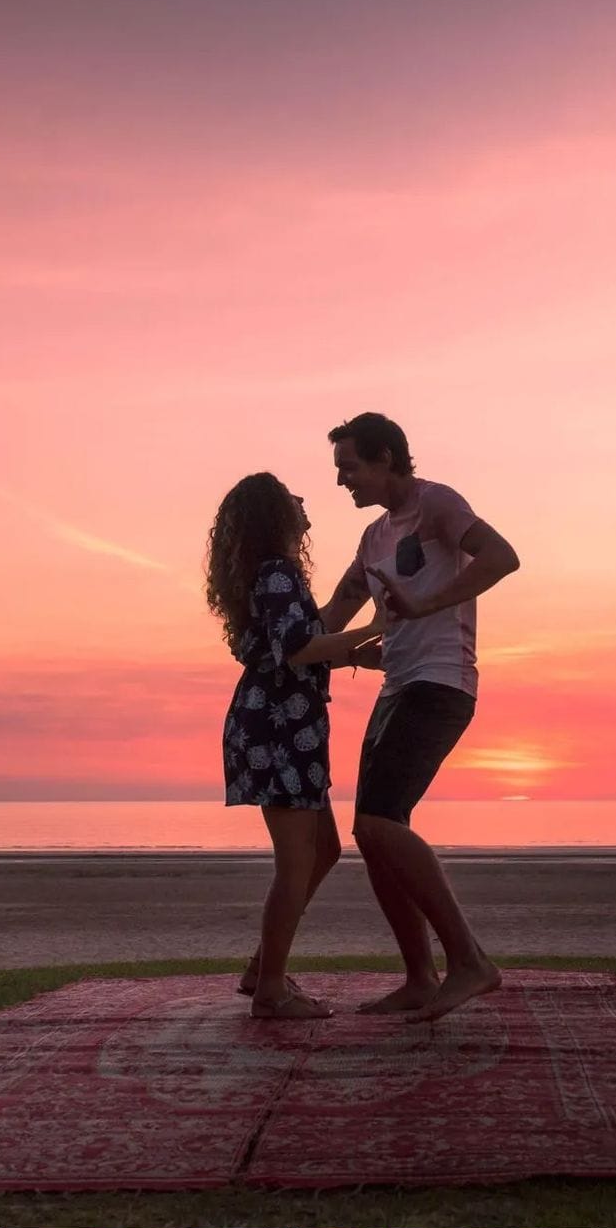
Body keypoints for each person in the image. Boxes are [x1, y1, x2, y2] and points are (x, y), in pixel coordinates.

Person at [318, 412, 523, 1022]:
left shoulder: (437, 504)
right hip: (397, 689)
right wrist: (281, 646)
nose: (342, 482)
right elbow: (335, 611)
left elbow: (503, 557)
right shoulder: (373, 538)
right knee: (372, 832)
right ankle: (418, 975)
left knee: (380, 823)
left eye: (349, 468)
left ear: (385, 459)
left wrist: (425, 603)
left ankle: (470, 961)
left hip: (441, 685)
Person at [207, 472, 389, 1020]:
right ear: (275, 515)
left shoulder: (267, 576)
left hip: (283, 726)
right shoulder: (278, 572)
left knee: (324, 851)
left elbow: (297, 646)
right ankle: (270, 991)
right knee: (295, 863)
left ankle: (261, 969)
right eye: (290, 496)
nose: (303, 498)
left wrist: (354, 655)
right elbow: (298, 648)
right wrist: (374, 627)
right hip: (279, 730)